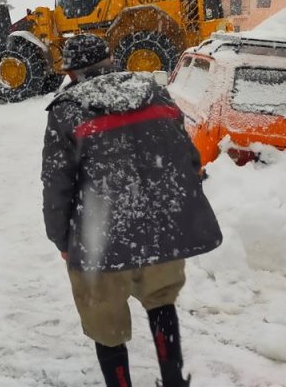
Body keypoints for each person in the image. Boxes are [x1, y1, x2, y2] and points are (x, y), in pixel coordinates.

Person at [41, 34, 222, 387]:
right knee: (161, 300)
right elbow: (188, 157)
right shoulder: (154, 92)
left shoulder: (67, 110)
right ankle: (172, 380)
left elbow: (56, 187)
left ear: (72, 72)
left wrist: (61, 239)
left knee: (106, 323)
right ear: (110, 61)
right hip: (161, 226)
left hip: (100, 237)